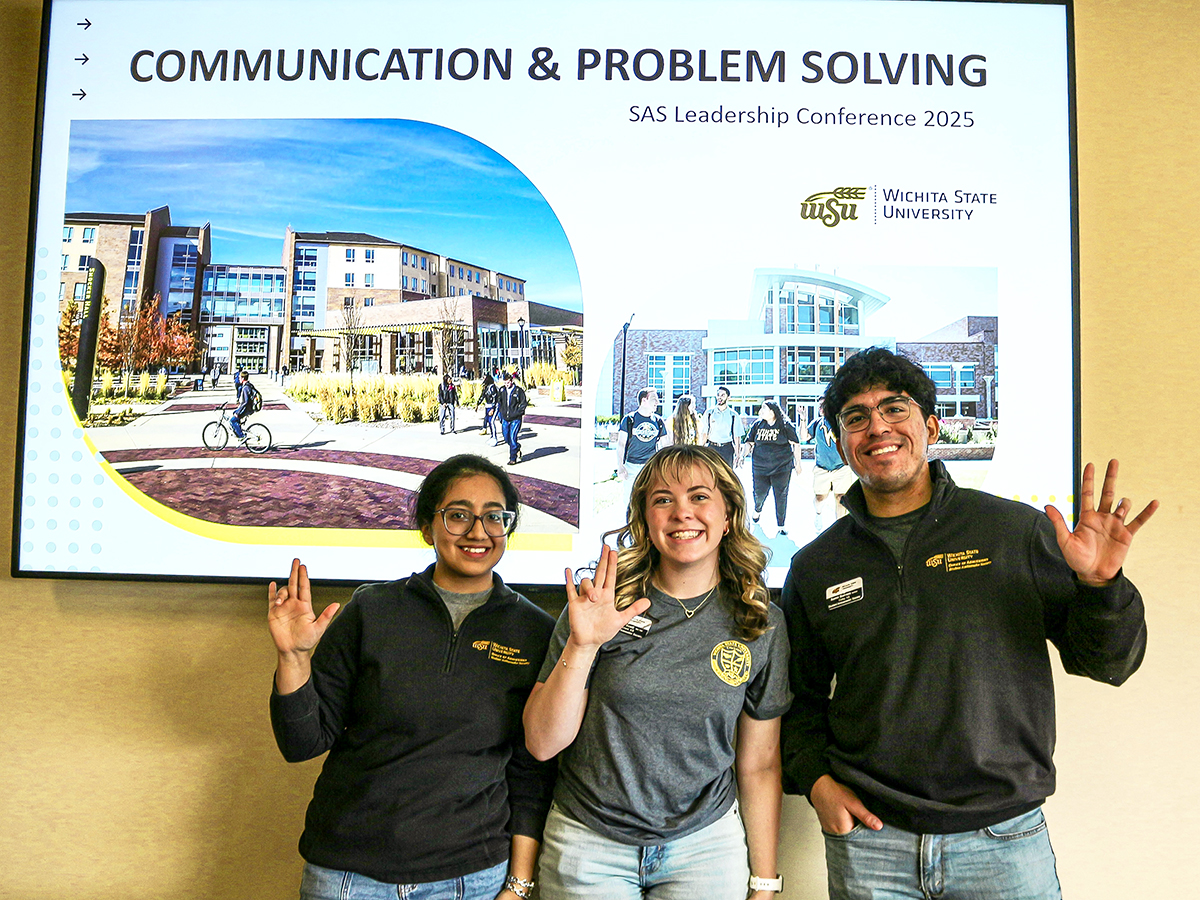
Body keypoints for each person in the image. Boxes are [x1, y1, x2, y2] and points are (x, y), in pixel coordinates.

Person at [779, 347, 1157, 900]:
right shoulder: (816, 566)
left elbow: (1110, 663)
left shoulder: (1014, 531)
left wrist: (1100, 588)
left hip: (1003, 841)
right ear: (841, 443)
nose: (876, 427)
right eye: (855, 418)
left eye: (894, 409)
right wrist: (816, 785)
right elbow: (799, 701)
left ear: (931, 425)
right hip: (871, 847)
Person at [269, 454, 555, 900]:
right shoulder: (372, 609)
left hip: (472, 878)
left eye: (494, 517)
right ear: (427, 527)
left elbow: (530, 774)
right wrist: (293, 658)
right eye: (458, 515)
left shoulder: (536, 631)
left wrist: (517, 886)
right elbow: (301, 743)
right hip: (348, 874)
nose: (478, 532)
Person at [524, 445, 792, 900]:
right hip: (589, 843)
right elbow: (542, 742)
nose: (682, 512)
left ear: (728, 515)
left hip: (704, 847)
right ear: (646, 521)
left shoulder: (759, 620)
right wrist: (583, 643)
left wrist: (765, 882)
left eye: (700, 497)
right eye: (663, 500)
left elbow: (760, 763)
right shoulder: (600, 605)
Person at [742, 401, 802, 537]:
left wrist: (798, 463)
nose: (761, 411)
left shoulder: (785, 426)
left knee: (781, 495)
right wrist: (742, 455)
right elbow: (749, 443)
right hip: (760, 467)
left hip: (782, 468)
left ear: (772, 411)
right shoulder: (757, 425)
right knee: (759, 493)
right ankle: (757, 510)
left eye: (764, 408)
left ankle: (781, 525)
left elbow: (796, 444)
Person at [616, 388, 668, 511]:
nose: (657, 402)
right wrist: (620, 466)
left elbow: (664, 446)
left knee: (650, 501)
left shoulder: (659, 421)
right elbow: (621, 444)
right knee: (629, 501)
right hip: (631, 467)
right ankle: (629, 527)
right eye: (654, 399)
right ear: (644, 400)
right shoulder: (629, 419)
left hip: (650, 468)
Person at [808, 412, 856, 533]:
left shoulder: (842, 422)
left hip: (841, 467)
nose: (822, 409)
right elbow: (804, 437)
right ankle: (818, 514)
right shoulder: (816, 423)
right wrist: (803, 420)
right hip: (822, 467)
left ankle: (839, 529)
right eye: (820, 406)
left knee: (840, 498)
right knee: (820, 498)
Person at [700, 385, 742, 468]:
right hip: (712, 448)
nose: (720, 397)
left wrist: (738, 455)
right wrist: (701, 449)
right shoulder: (709, 413)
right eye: (718, 395)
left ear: (728, 397)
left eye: (723, 395)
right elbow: (704, 433)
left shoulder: (733, 415)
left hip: (727, 449)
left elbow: (737, 437)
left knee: (727, 475)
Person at [497, 371, 528, 466]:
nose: (506, 384)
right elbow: (499, 402)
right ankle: (517, 448)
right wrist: (500, 414)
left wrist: (518, 412)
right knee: (506, 438)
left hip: (515, 419)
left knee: (512, 438)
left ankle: (512, 458)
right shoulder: (502, 390)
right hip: (505, 418)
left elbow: (523, 403)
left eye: (508, 382)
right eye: (505, 382)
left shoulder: (518, 391)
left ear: (511, 381)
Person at [229, 369, 254, 440]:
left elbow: (245, 402)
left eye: (239, 377)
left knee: (232, 420)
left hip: (247, 408)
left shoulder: (245, 388)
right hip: (248, 407)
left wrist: (238, 412)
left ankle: (241, 436)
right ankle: (238, 430)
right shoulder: (248, 385)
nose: (238, 379)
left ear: (243, 378)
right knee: (235, 414)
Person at [477, 372, 501, 443]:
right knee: (487, 419)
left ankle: (494, 437)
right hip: (487, 405)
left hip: (492, 406)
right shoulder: (486, 387)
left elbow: (494, 397)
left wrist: (493, 408)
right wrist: (478, 404)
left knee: (491, 421)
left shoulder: (492, 387)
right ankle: (491, 434)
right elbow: (482, 396)